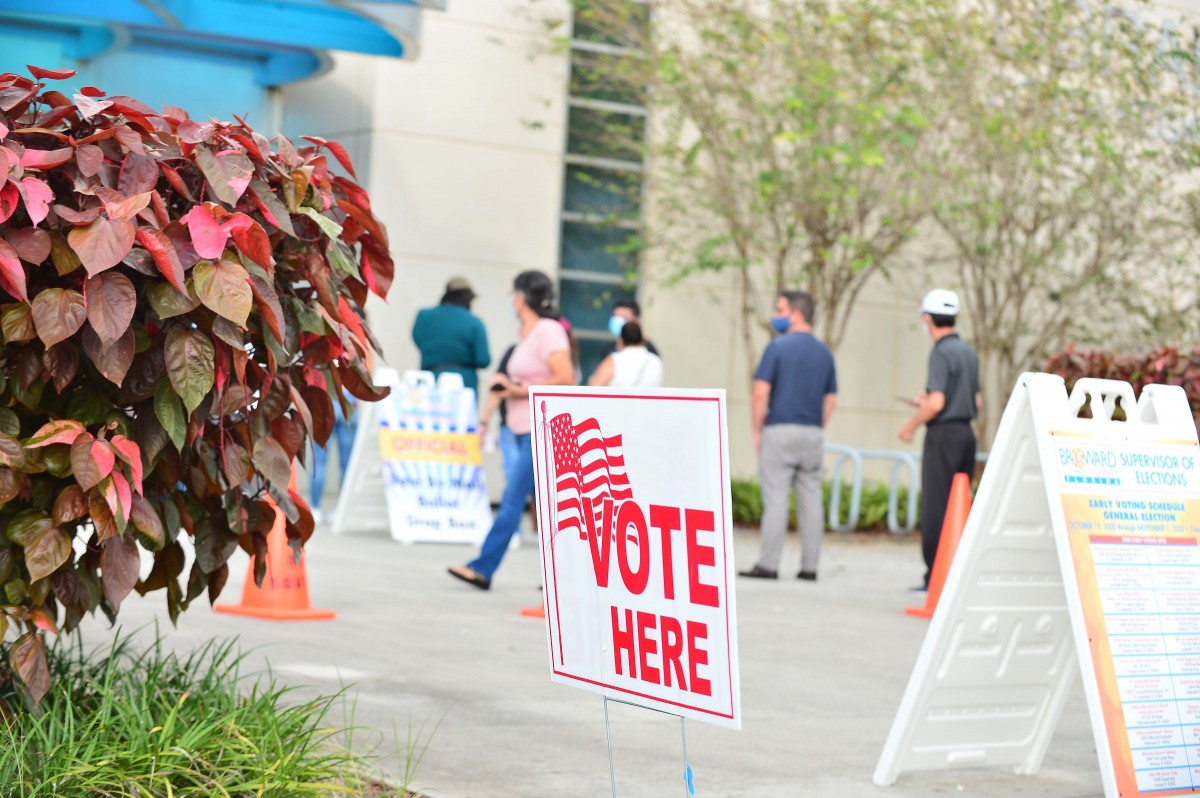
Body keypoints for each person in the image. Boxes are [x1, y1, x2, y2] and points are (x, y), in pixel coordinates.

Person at [448, 271, 575, 590]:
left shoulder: (547, 330)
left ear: (521, 297)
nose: (510, 300)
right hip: (519, 427)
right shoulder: (527, 333)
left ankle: (483, 568)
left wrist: (518, 390)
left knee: (513, 499)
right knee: (546, 507)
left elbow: (565, 376)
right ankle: (565, 579)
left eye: (512, 293)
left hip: (540, 427)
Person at [739, 291, 837, 582]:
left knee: (776, 498)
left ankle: (768, 565)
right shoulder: (824, 353)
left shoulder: (777, 347)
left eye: (780, 309)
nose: (776, 314)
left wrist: (757, 429)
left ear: (795, 313)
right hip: (812, 433)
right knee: (811, 500)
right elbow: (831, 397)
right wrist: (818, 424)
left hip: (779, 429)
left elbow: (760, 392)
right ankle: (809, 567)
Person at [898, 288, 980, 592]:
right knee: (960, 503)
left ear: (928, 318)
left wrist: (910, 425)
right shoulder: (968, 352)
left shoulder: (941, 351)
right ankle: (957, 572)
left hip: (943, 436)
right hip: (965, 435)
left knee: (937, 506)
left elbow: (936, 403)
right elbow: (977, 401)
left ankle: (935, 575)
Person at [411, 276, 491, 392]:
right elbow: (483, 360)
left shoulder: (423, 316)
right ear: (467, 298)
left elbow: (417, 338)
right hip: (464, 384)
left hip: (429, 381)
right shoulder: (474, 322)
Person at [310, 395, 356, 525]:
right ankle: (343, 510)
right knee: (347, 465)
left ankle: (315, 508)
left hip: (326, 408)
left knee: (318, 462)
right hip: (349, 407)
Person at [588, 321, 663, 388]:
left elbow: (594, 387)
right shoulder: (656, 361)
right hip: (649, 403)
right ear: (643, 339)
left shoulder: (614, 360)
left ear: (620, 340)